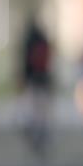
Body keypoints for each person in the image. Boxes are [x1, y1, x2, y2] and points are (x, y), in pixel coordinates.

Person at [20, 18, 53, 158]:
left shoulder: (28, 41)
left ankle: (35, 132)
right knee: (42, 110)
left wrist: (23, 79)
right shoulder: (44, 40)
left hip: (32, 79)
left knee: (33, 108)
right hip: (44, 79)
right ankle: (42, 132)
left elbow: (25, 63)